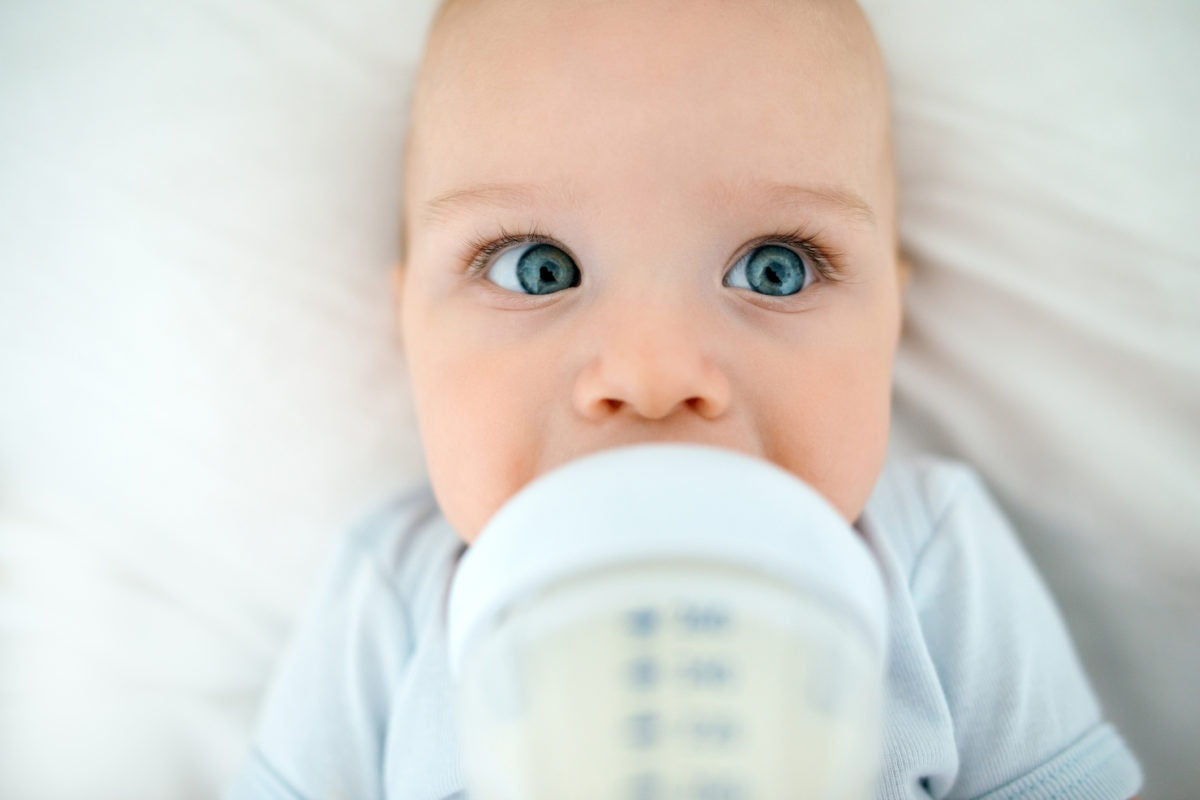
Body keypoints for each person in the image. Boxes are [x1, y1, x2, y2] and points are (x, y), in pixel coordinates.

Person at [229, 0, 1142, 797]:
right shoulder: (389, 601)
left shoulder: (936, 562)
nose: (654, 373)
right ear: (408, 326)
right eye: (537, 269)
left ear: (891, 320)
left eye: (775, 270)